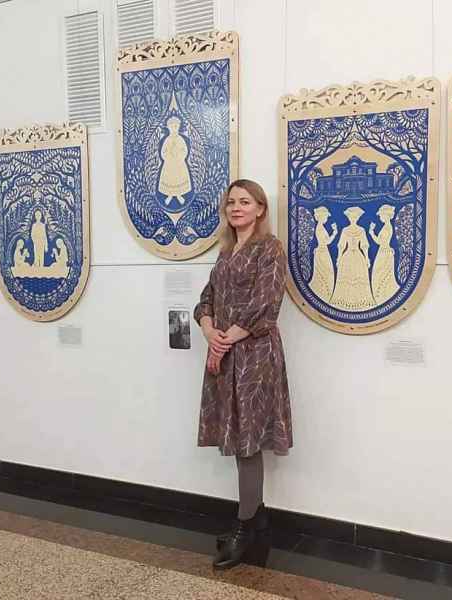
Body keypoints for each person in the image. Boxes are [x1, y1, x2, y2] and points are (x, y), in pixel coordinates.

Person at [193, 179, 292, 570]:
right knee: (238, 439)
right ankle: (257, 523)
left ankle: (244, 526)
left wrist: (223, 342)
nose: (236, 207)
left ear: (260, 209)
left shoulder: (270, 248)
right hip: (227, 354)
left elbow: (266, 304)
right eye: (231, 202)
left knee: (248, 443)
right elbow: (205, 300)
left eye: (245, 201)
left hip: (254, 358)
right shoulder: (225, 252)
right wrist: (209, 331)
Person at [330, 205, 375, 311]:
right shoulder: (345, 230)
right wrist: (338, 258)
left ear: (358, 218)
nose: (353, 219)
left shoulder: (361, 230)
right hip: (347, 256)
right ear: (349, 218)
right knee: (346, 277)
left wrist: (367, 258)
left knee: (359, 276)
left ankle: (360, 301)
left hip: (359, 256)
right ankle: (344, 300)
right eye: (351, 217)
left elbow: (364, 245)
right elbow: (341, 245)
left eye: (355, 217)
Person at [158, 116, 192, 207]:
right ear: (169, 128)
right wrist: (167, 156)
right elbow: (163, 152)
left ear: (178, 128)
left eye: (176, 127)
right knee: (170, 179)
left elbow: (185, 150)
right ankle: (169, 195)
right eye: (172, 127)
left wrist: (180, 156)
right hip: (169, 164)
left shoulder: (180, 139)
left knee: (179, 179)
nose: (174, 129)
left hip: (179, 163)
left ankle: (179, 195)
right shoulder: (167, 140)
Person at [369, 204, 399, 304]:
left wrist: (371, 232)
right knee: (381, 274)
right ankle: (381, 295)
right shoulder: (386, 226)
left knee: (380, 274)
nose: (380, 217)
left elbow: (380, 242)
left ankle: (380, 295)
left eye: (381, 215)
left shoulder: (387, 227)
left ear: (386, 215)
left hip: (384, 252)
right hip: (384, 252)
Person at [309, 205, 337, 302]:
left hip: (322, 251)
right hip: (323, 252)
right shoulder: (320, 228)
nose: (326, 219)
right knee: (326, 273)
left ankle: (325, 293)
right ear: (321, 216)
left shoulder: (320, 227)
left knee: (325, 273)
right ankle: (325, 293)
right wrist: (334, 232)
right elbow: (326, 241)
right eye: (326, 216)